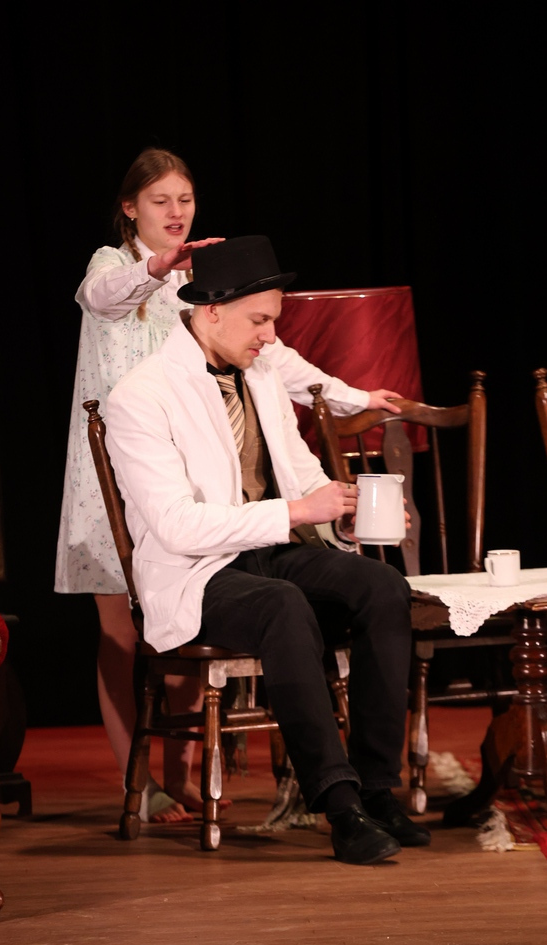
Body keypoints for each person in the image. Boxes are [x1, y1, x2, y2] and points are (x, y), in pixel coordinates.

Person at [54, 149, 407, 823]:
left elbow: (286, 378)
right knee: (126, 634)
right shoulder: (118, 270)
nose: (176, 212)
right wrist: (161, 267)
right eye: (160, 200)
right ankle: (141, 780)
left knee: (378, 587)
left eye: (185, 199)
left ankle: (364, 790)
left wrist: (346, 476)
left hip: (242, 520)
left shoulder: (246, 346)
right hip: (133, 471)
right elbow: (101, 296)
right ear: (130, 207)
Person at [105, 236, 430, 865]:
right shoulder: (140, 397)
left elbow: (302, 474)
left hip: (270, 550)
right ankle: (339, 806)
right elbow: (175, 526)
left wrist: (346, 514)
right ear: (211, 310)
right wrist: (297, 512)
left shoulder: (260, 375)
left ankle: (377, 788)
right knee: (282, 605)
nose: (270, 336)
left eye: (273, 320)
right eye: (260, 321)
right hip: (197, 573)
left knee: (382, 586)